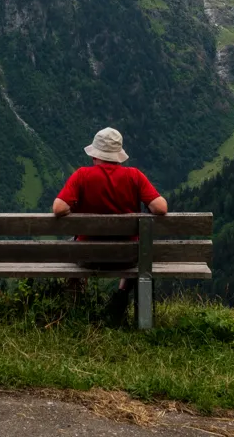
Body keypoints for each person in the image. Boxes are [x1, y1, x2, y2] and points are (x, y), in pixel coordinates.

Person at [52, 127, 167, 324]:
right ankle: (120, 297)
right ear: (118, 156)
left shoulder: (82, 176)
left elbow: (58, 208)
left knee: (72, 244)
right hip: (126, 258)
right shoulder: (134, 176)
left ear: (95, 155)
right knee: (142, 250)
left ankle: (76, 308)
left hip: (89, 257)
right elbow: (160, 208)